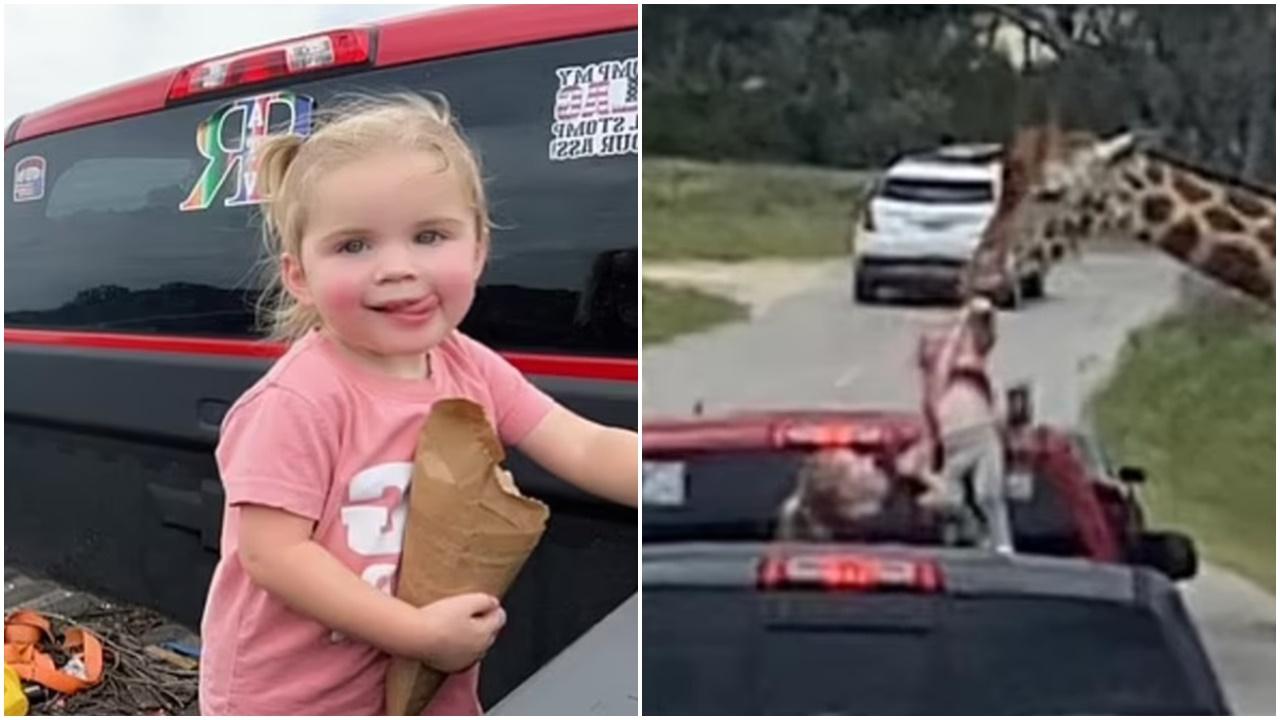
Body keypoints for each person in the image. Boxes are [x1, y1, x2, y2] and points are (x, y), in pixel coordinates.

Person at [198, 94, 638, 715]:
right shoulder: (299, 400)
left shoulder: (467, 365)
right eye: (354, 246)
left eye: (430, 235)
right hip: (295, 700)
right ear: (300, 275)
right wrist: (422, 635)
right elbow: (273, 555)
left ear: (479, 249)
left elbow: (585, 445)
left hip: (423, 692)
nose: (398, 268)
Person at [915, 298, 1014, 554]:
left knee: (988, 495)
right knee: (955, 498)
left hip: (978, 435)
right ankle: (978, 537)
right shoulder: (940, 383)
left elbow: (981, 341)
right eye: (930, 346)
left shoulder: (969, 371)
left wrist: (972, 317)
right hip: (958, 444)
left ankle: (1000, 544)